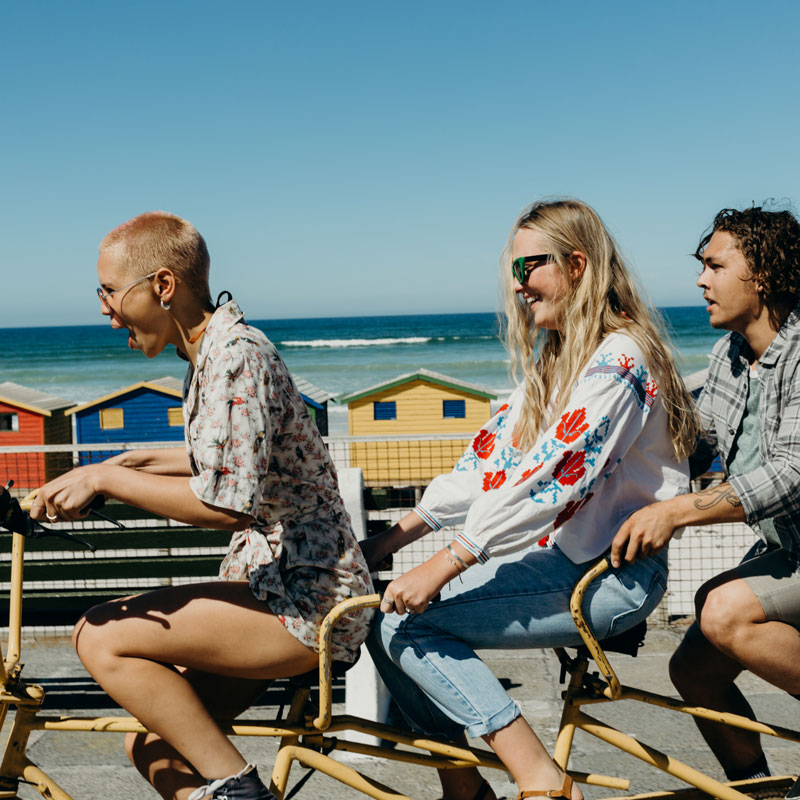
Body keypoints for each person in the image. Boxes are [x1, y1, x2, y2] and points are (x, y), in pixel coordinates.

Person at [29, 212, 374, 800]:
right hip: (276, 586)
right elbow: (221, 459)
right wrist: (127, 464)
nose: (105, 311)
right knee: (152, 746)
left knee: (98, 634)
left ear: (163, 286)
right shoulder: (209, 356)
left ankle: (241, 791)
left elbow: (225, 505)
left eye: (110, 292)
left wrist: (106, 480)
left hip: (309, 600)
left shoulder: (237, 355)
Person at [362, 198, 698, 800]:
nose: (518, 286)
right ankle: (463, 786)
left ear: (576, 264)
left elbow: (549, 478)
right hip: (564, 563)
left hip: (612, 575)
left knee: (408, 629)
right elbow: (488, 465)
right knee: (378, 617)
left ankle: (538, 775)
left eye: (528, 268)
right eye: (511, 272)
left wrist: (449, 558)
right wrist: (390, 541)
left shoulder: (620, 359)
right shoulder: (557, 363)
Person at [610, 205, 800, 784]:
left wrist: (677, 512)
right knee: (694, 673)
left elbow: (794, 471)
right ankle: (762, 791)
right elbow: (696, 445)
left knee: (725, 611)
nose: (701, 280)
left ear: (762, 273)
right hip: (788, 546)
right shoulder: (731, 356)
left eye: (715, 266)